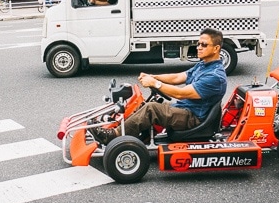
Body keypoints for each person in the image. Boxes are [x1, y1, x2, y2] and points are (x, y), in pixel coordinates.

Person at [89, 28, 228, 145]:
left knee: (152, 109)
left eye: (204, 45)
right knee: (147, 103)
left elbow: (181, 94)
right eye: (198, 44)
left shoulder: (215, 77)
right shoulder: (204, 65)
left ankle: (113, 136)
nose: (198, 47)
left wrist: (155, 83)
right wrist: (153, 76)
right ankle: (129, 132)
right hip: (185, 109)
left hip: (194, 118)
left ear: (216, 48)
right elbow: (178, 77)